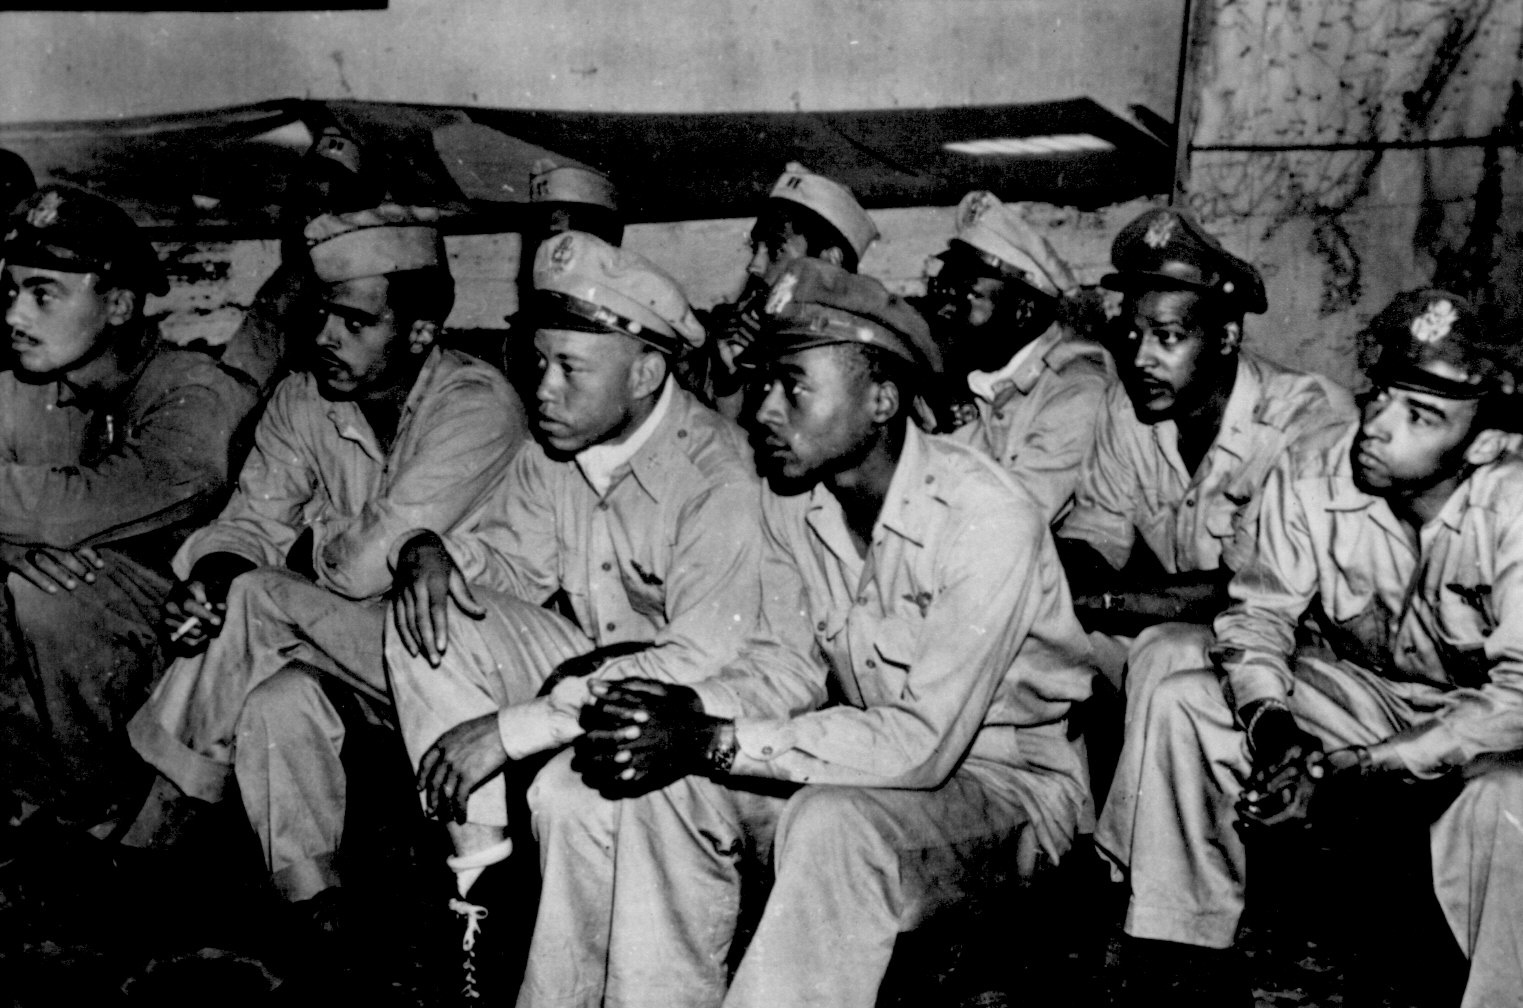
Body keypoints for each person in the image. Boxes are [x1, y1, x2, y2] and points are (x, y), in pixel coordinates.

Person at [552, 257, 1096, 1008]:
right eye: (764, 383)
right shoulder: (794, 500)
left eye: (793, 386)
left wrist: (713, 739)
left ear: (880, 398)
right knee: (657, 786)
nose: (762, 410)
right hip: (859, 759)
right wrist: (675, 711)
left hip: (1006, 789)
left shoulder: (983, 516)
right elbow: (783, 665)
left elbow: (922, 743)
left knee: (834, 824)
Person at [1097, 290, 1523, 1007]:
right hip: (1374, 699)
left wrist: (1355, 769)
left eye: (1420, 416)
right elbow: (1256, 618)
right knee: (1183, 699)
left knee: (1504, 802)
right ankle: (1180, 955)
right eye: (1381, 396)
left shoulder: (1513, 509)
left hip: (1491, 730)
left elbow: (1515, 701)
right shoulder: (1314, 467)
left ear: (1481, 443)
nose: (1377, 429)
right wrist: (1278, 731)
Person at [383, 230, 771, 996]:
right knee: (428, 607)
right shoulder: (557, 445)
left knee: (569, 794)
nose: (542, 390)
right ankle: (479, 887)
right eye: (536, 364)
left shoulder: (716, 475)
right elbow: (504, 564)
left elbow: (696, 661)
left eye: (570, 369)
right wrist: (430, 549)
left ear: (647, 372)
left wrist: (506, 730)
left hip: (694, 713)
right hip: (585, 682)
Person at [124, 204, 527, 924]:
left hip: (469, 664)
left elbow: (365, 570)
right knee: (275, 701)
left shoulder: (476, 404)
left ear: (421, 332)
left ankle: (154, 834)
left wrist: (266, 581)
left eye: (354, 322)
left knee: (259, 602)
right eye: (320, 316)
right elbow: (252, 519)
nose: (323, 337)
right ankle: (318, 913)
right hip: (362, 652)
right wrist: (212, 582)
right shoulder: (304, 396)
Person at [0, 184, 257, 839]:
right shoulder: (28, 383)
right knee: (28, 583)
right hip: (84, 658)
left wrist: (30, 545)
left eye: (42, 294)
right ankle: (31, 801)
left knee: (50, 598)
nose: (14, 314)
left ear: (116, 305)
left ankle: (109, 818)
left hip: (193, 648)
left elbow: (79, 510)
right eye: (10, 292)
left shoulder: (192, 392)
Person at [1056, 206, 1354, 689]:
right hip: (1173, 625)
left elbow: (1250, 588)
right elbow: (1093, 534)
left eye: (1167, 337)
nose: (1139, 358)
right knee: (1032, 638)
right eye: (1132, 335)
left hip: (1290, 647)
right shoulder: (1126, 404)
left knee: (1166, 652)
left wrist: (1104, 598)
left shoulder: (1304, 421)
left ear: (1226, 337)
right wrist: (1080, 585)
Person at [916, 190, 1111, 522]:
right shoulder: (967, 372)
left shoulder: (1078, 392)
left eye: (970, 295)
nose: (948, 309)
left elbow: (1011, 520)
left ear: (1023, 311)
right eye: (947, 290)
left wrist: (955, 407)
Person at [686, 162, 878, 420]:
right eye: (756, 248)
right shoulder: (745, 334)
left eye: (775, 250)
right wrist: (729, 384)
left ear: (830, 260)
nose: (754, 265)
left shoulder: (863, 356)